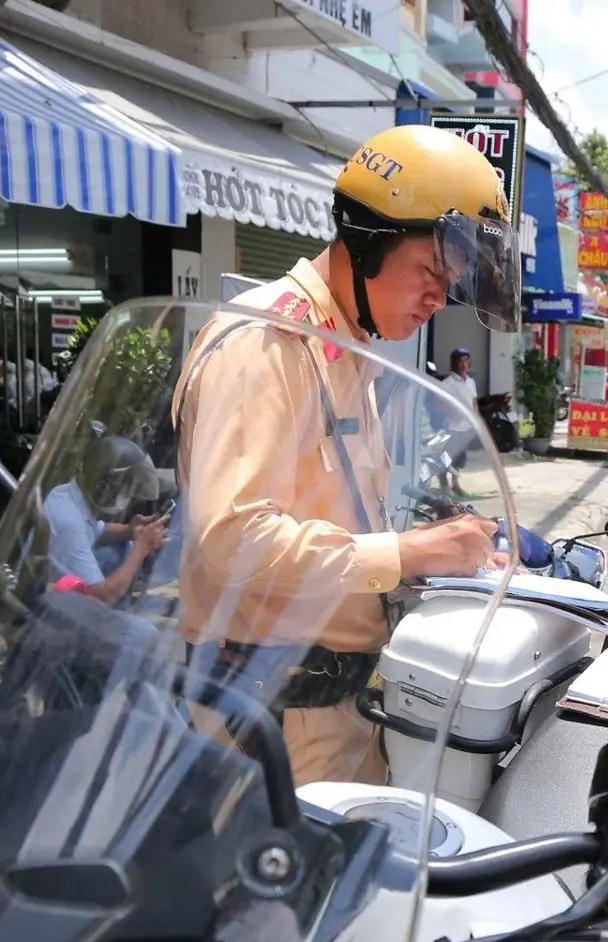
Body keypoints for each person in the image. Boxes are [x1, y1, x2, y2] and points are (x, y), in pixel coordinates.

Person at [173, 124, 514, 787]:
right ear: (368, 241)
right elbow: (234, 539)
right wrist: (410, 553)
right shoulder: (269, 342)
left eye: (451, 284)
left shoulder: (345, 347)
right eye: (430, 273)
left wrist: (441, 551)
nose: (439, 300)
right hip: (269, 719)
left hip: (338, 704)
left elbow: (335, 520)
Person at [44, 434, 168, 608]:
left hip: (60, 577)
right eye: (124, 487)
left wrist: (130, 531)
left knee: (124, 546)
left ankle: (118, 615)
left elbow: (98, 530)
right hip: (49, 599)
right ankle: (113, 625)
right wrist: (142, 547)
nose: (128, 495)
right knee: (143, 633)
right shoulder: (70, 525)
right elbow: (102, 597)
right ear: (103, 486)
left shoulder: (69, 496)